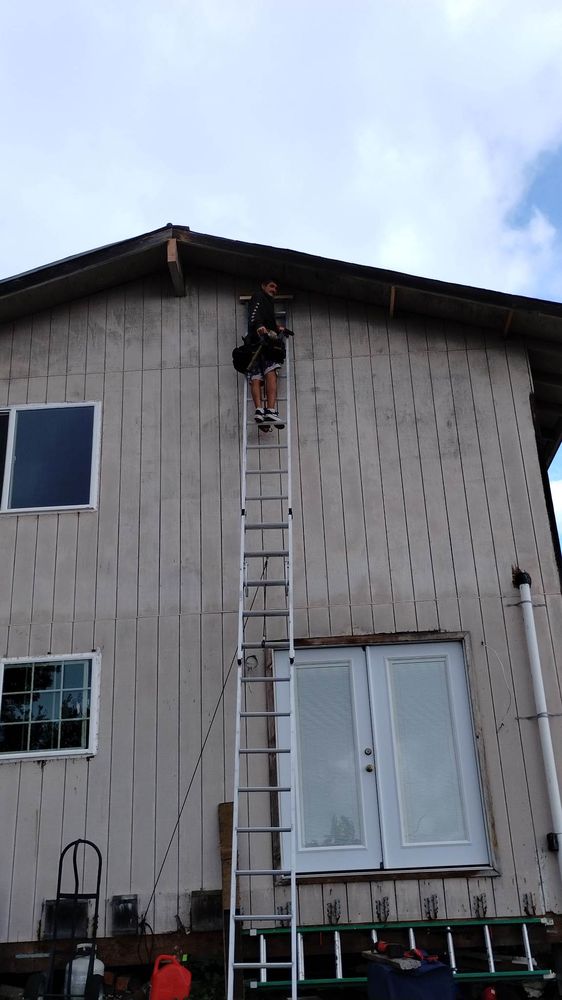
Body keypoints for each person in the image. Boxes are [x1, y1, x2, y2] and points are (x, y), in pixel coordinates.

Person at [246, 279, 287, 429]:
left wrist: (277, 328)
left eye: (276, 287)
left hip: (254, 344)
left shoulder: (268, 302)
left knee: (256, 376)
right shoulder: (259, 296)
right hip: (263, 344)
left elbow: (263, 319)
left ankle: (259, 411)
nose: (274, 289)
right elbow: (254, 314)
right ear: (263, 286)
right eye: (271, 286)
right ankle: (270, 411)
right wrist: (259, 327)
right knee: (270, 373)